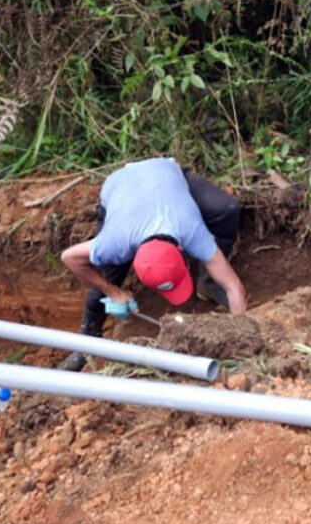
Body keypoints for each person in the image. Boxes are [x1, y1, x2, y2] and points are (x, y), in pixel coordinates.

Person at [59, 157, 248, 371]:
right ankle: (85, 346)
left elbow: (234, 286)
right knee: (101, 287)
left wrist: (239, 338)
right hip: (122, 185)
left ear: (181, 250)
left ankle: (209, 283)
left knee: (227, 208)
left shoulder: (193, 232)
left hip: (165, 173)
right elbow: (69, 258)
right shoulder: (114, 243)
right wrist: (112, 291)